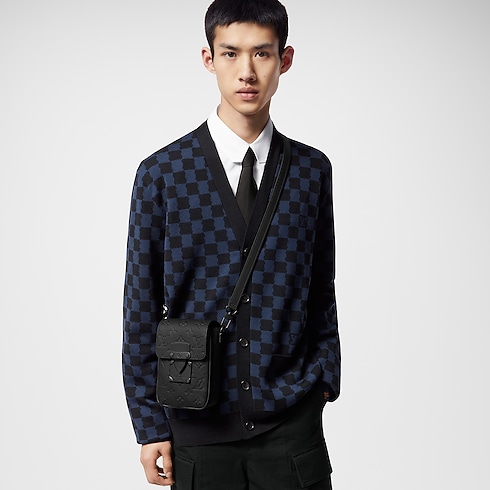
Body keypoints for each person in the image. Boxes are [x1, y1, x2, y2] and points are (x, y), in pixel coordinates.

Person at [122, 0, 341, 488]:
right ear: (209, 59)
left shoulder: (311, 171)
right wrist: (149, 422)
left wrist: (325, 379)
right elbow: (140, 304)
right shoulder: (162, 174)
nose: (247, 72)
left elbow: (321, 288)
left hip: (291, 423)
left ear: (284, 59)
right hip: (197, 421)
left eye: (262, 53)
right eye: (230, 53)